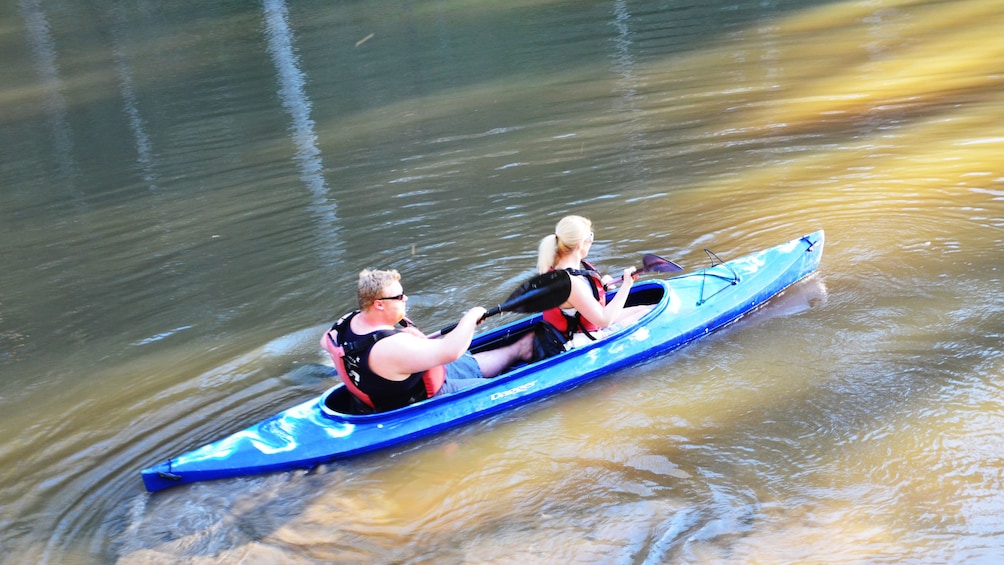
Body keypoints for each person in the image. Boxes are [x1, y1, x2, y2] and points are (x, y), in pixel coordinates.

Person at [321, 268, 533, 412]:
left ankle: (520, 349)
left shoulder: (345, 323)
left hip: (413, 378)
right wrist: (471, 317)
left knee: (467, 363)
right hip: (425, 398)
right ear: (378, 304)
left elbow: (326, 343)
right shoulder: (390, 346)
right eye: (398, 297)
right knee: (500, 391)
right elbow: (451, 351)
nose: (405, 299)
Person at [536, 215, 645, 349]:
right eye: (590, 237)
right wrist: (627, 285)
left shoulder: (554, 271)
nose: (591, 242)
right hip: (581, 341)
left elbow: (575, 301)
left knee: (645, 309)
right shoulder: (570, 282)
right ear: (580, 244)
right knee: (645, 315)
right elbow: (605, 320)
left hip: (575, 332)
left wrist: (601, 287)